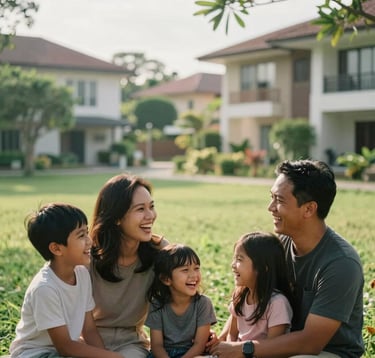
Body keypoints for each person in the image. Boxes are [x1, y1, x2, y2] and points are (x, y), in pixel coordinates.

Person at [209, 159, 364, 358]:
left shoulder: (340, 264)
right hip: (277, 344)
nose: (270, 207)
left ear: (309, 209)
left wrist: (243, 349)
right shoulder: (278, 245)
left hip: (325, 353)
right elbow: (248, 288)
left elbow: (311, 343)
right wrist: (221, 342)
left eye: (280, 201)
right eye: (272, 198)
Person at [9, 203, 121, 358]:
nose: (89, 241)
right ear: (56, 249)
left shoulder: (82, 274)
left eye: (87, 233)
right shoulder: (44, 289)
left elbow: (89, 330)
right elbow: (65, 347)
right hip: (35, 354)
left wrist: (106, 355)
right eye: (81, 235)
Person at [89, 173, 169, 358]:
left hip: (131, 343)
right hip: (87, 341)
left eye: (152, 207)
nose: (151, 216)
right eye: (140, 209)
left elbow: (183, 295)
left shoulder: (161, 251)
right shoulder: (88, 256)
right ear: (117, 217)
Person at [145, 243, 217, 358]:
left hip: (192, 354)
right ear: (166, 279)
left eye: (196, 268)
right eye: (185, 270)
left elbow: (199, 344)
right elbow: (157, 346)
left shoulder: (203, 304)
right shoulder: (157, 304)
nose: (194, 275)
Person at [226, 231, 293, 342]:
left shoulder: (277, 303)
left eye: (239, 259)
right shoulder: (240, 296)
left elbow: (272, 347)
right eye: (234, 258)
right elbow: (232, 335)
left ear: (262, 267)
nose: (233, 265)